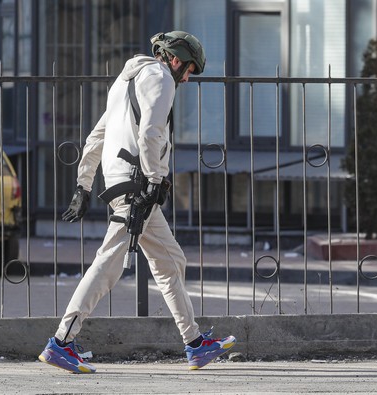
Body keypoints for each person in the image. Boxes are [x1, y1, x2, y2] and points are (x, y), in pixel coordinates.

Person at [38, 31, 236, 373]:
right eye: (189, 69)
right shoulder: (161, 78)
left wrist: (83, 185)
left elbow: (97, 135)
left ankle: (194, 344)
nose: (188, 77)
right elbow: (150, 133)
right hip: (137, 184)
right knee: (109, 264)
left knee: (170, 260)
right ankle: (61, 342)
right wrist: (155, 180)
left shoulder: (124, 80)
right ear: (174, 59)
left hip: (125, 181)